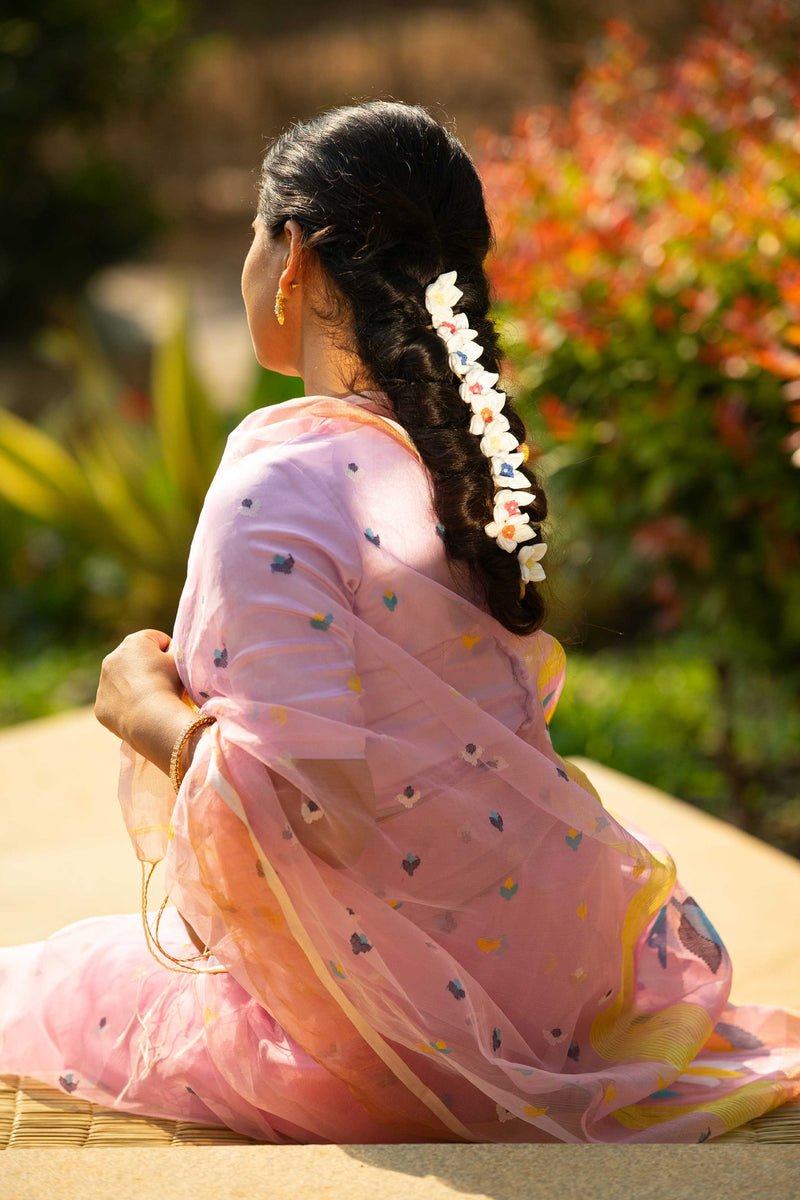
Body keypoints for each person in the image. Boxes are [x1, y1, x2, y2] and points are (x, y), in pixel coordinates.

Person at [1, 100, 798, 1145]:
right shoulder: (457, 463)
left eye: (251, 234)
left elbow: (301, 813)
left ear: (289, 255)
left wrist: (144, 713)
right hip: (554, 983)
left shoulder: (279, 484)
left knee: (45, 991)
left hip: (400, 1028)